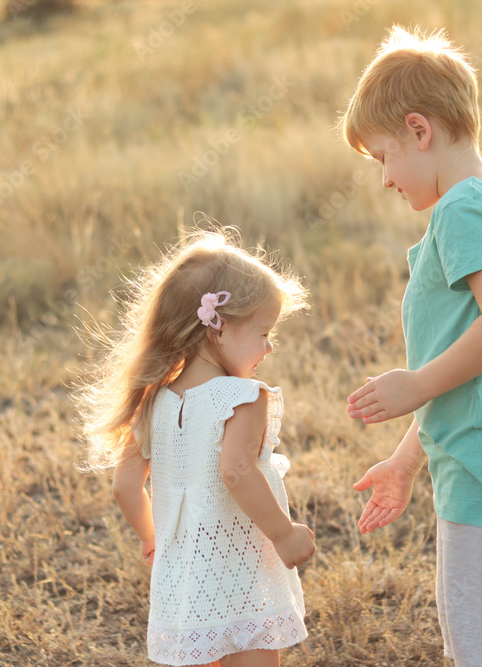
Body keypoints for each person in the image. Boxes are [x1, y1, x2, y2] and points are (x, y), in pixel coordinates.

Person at [338, 26, 482, 666]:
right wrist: (405, 461)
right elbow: (471, 372)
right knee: (481, 641)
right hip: (479, 463)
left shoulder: (465, 209)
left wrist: (411, 385)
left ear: (421, 131)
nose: (385, 179)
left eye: (383, 156)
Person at [76, 229, 315, 667]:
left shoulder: (151, 401)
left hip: (184, 584)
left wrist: (153, 539)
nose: (269, 345)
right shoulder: (243, 396)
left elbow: (125, 488)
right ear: (218, 328)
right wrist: (284, 534)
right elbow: (237, 471)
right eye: (264, 332)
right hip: (242, 574)